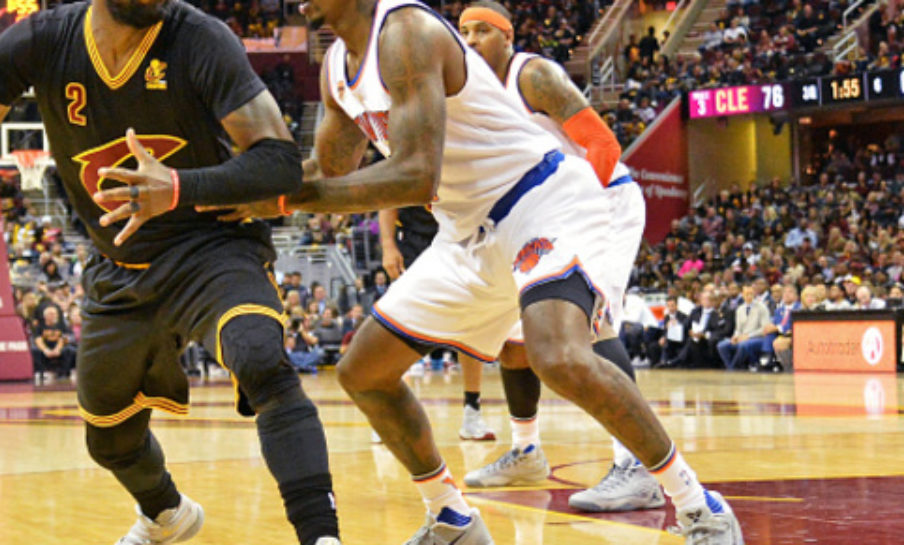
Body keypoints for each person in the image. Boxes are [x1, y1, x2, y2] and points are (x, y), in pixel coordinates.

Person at [202, 0, 741, 542]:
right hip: (467, 229)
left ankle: (699, 505)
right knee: (363, 370)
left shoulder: (407, 32)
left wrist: (283, 201)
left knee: (557, 354)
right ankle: (452, 517)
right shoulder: (337, 67)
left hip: (539, 200)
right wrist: (235, 186)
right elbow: (330, 169)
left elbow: (415, 175)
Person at [0, 1, 342, 543]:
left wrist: (179, 188)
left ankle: (320, 535)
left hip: (211, 247)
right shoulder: (39, 40)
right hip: (119, 265)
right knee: (109, 439)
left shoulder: (201, 39)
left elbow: (277, 162)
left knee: (259, 355)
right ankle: (166, 515)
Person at [455, 2, 663, 515]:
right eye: (463, 32)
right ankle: (526, 451)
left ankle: (638, 467)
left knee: (594, 327)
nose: (471, 40)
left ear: (508, 36)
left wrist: (576, 214)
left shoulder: (534, 75)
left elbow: (603, 144)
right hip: (540, 214)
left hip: (601, 202)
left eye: (483, 30)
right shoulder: (469, 94)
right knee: (512, 336)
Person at [380, 204, 495, 442]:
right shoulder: (404, 167)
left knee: (471, 323)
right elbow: (387, 202)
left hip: (461, 241)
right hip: (415, 240)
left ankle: (472, 412)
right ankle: (389, 416)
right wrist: (388, 245)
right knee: (400, 325)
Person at [716, 285, 770, 371]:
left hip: (758, 338)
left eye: (751, 294)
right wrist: (735, 336)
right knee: (722, 345)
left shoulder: (762, 307)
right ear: (742, 295)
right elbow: (738, 329)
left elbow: (765, 328)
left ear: (754, 294)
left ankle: (732, 369)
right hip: (742, 337)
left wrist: (748, 336)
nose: (749, 296)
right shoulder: (740, 309)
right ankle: (732, 368)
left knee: (743, 345)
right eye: (746, 294)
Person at [34, 305, 74, 384]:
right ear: (45, 316)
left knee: (69, 350)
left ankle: (63, 374)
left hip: (59, 347)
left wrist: (57, 349)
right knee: (34, 351)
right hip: (45, 347)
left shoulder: (62, 325)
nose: (53, 316)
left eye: (54, 314)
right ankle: (39, 374)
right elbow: (38, 339)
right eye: (50, 314)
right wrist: (45, 350)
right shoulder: (40, 326)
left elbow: (64, 338)